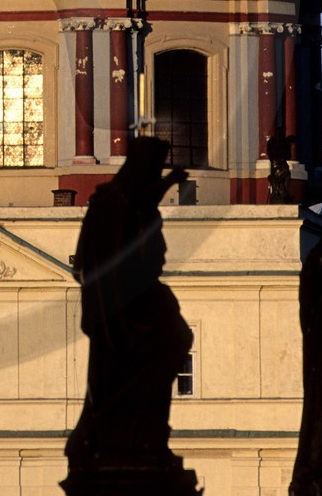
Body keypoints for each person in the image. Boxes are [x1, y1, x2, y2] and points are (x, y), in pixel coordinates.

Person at [65, 136, 194, 482]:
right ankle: (135, 433)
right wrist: (168, 182)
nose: (158, 174)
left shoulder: (124, 200)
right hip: (122, 308)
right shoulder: (115, 201)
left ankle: (146, 431)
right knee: (166, 343)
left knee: (173, 339)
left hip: (134, 300)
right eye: (155, 168)